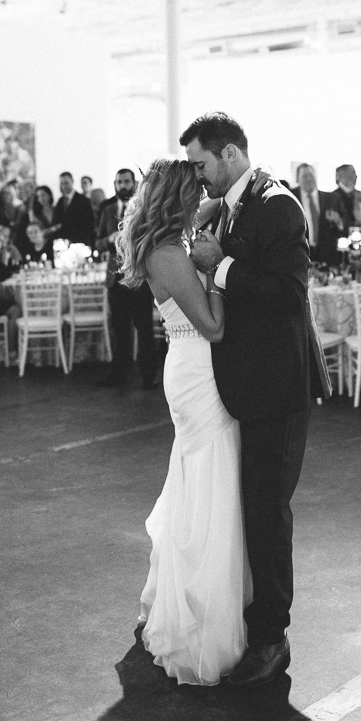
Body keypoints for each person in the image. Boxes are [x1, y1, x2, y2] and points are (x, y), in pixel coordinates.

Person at [180, 113, 329, 687]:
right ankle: (255, 623)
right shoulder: (231, 204)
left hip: (279, 387)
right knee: (253, 509)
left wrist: (223, 265)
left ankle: (271, 638)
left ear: (232, 154)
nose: (199, 177)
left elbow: (291, 295)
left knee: (268, 513)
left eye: (201, 165)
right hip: (250, 385)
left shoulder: (278, 205)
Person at [117, 157, 245, 686]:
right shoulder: (169, 254)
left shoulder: (170, 238)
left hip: (191, 369)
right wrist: (217, 269)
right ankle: (199, 612)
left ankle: (203, 591)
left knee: (199, 476)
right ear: (177, 200)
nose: (203, 199)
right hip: (197, 370)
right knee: (208, 479)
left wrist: (238, 186)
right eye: (194, 193)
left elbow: (218, 200)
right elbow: (213, 327)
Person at [97, 168, 159, 390]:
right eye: (119, 181)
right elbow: (97, 242)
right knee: (119, 329)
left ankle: (148, 375)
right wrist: (109, 239)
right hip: (116, 276)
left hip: (139, 276)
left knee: (144, 328)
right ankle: (118, 373)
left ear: (134, 183)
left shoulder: (144, 206)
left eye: (126, 181)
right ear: (114, 184)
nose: (122, 185)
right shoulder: (106, 209)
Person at [52, 171, 97, 248]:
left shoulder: (83, 200)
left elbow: (89, 223)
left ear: (72, 182)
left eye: (66, 183)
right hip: (63, 242)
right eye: (62, 183)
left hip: (79, 242)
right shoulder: (60, 201)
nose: (64, 186)